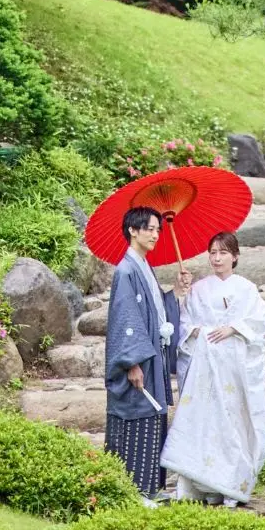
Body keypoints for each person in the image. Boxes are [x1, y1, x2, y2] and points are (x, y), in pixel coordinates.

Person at [159, 230, 265, 503]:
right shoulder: (198, 289)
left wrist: (233, 328)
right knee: (202, 421)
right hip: (205, 370)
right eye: (213, 252)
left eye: (223, 252)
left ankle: (229, 483)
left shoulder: (245, 288)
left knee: (232, 423)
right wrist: (199, 332)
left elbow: (259, 319)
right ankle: (197, 484)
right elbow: (184, 323)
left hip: (234, 369)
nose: (217, 258)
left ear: (235, 256)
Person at [103, 205, 184, 503]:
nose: (155, 234)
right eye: (149, 228)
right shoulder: (126, 270)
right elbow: (126, 317)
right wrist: (131, 361)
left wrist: (174, 292)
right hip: (138, 361)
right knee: (138, 416)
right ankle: (132, 489)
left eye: (158, 229)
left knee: (153, 417)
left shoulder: (143, 266)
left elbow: (154, 310)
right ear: (132, 231)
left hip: (153, 357)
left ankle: (149, 488)